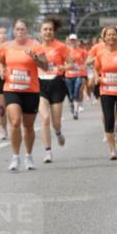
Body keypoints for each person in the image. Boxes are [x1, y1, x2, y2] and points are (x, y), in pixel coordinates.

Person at [0, 19, 48, 171]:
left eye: (23, 29)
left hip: (30, 90)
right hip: (11, 88)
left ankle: (29, 155)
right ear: (14, 31)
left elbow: (45, 66)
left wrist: (35, 58)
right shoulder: (6, 46)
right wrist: (1, 70)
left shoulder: (35, 46)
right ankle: (15, 157)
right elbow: (0, 62)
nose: (20, 31)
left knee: (28, 125)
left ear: (27, 31)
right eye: (17, 29)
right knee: (14, 122)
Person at [37, 18, 73, 164]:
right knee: (45, 118)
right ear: (40, 32)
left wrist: (63, 68)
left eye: (50, 29)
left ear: (53, 31)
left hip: (56, 84)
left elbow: (70, 64)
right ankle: (48, 151)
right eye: (45, 29)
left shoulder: (61, 47)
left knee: (56, 122)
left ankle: (58, 132)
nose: (47, 32)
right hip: (40, 84)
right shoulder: (36, 48)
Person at [92, 24, 117, 160]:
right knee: (109, 120)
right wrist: (96, 76)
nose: (111, 37)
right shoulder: (101, 54)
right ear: (105, 38)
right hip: (106, 90)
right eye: (109, 35)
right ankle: (113, 150)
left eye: (114, 34)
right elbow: (96, 68)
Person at [65, 34, 86, 120]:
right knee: (70, 95)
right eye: (71, 40)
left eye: (74, 40)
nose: (73, 42)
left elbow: (87, 61)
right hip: (68, 75)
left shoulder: (82, 51)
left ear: (77, 41)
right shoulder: (65, 51)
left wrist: (83, 68)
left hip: (78, 75)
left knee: (76, 92)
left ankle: (76, 112)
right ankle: (72, 106)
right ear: (69, 41)